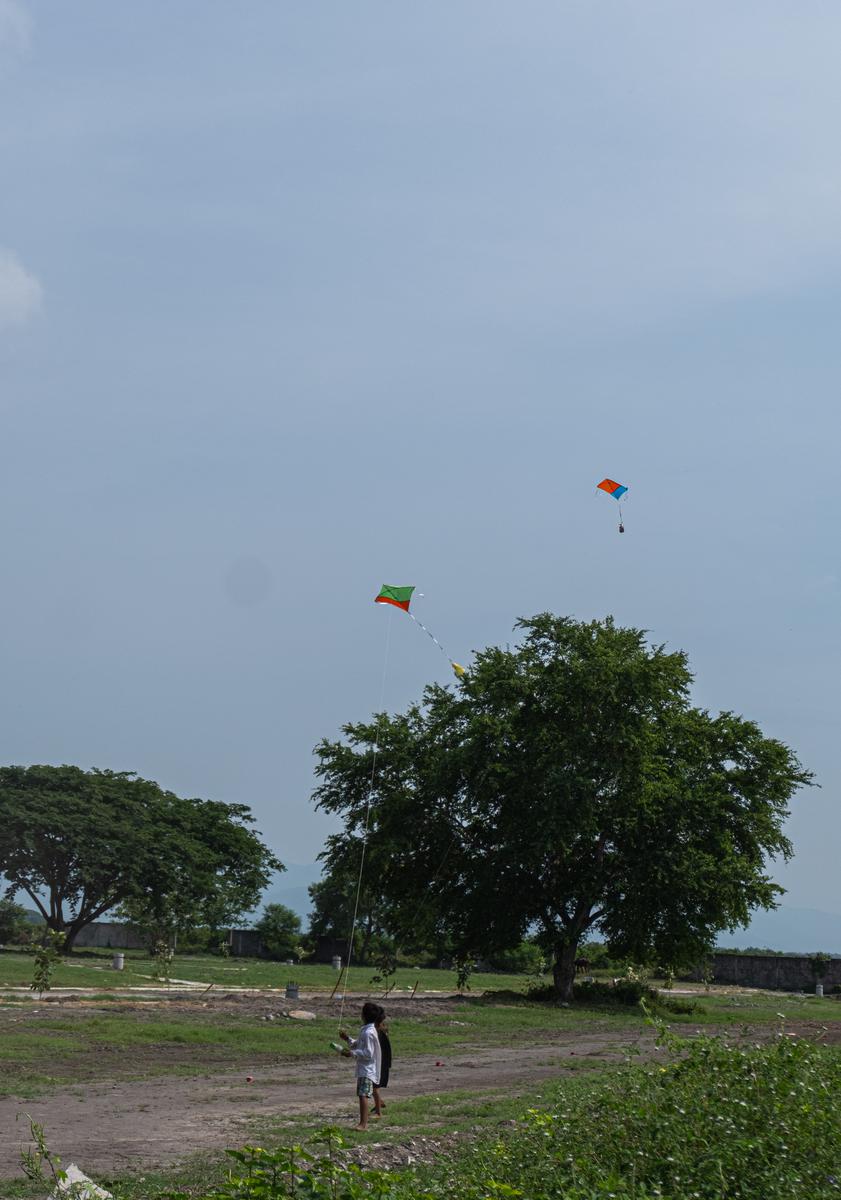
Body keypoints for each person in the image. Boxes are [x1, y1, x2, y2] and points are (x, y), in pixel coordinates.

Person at [339, 1001, 382, 1131]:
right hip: (364, 1068)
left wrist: (351, 1053)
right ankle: (363, 1122)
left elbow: (368, 1053)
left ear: (364, 1015)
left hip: (367, 1069)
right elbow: (358, 1044)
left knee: (363, 1095)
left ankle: (363, 1124)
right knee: (362, 1094)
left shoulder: (368, 1032)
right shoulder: (366, 1030)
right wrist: (347, 1039)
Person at [372, 1007, 391, 1119]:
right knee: (374, 1086)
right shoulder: (381, 1030)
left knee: (374, 1086)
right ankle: (379, 1102)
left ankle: (378, 1111)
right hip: (382, 1061)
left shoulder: (377, 1032)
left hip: (379, 1062)